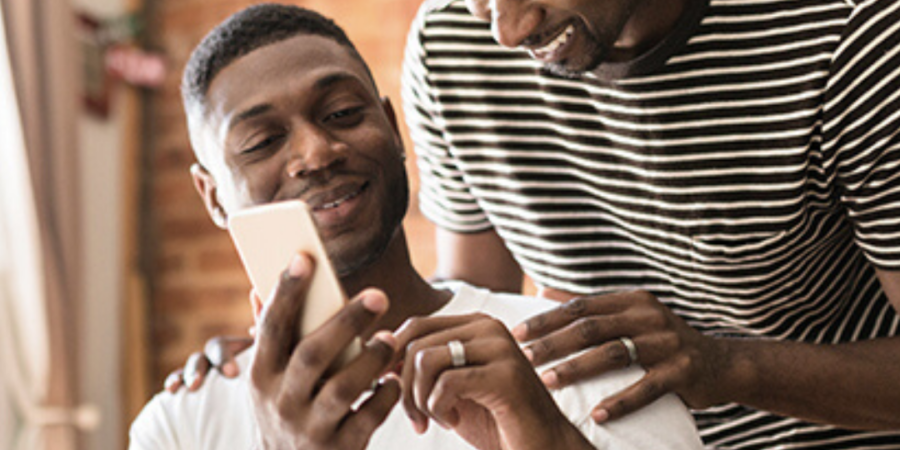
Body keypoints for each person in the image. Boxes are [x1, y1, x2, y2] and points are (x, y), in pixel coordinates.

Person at [169, 0, 900, 448]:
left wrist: (729, 365)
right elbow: (470, 302)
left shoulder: (850, 34)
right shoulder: (454, 45)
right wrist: (312, 340)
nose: (510, 31)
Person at [129, 4, 705, 450]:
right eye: (261, 142)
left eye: (343, 114)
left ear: (393, 128)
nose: (317, 151)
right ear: (212, 197)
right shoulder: (182, 422)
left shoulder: (578, 361)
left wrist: (549, 438)